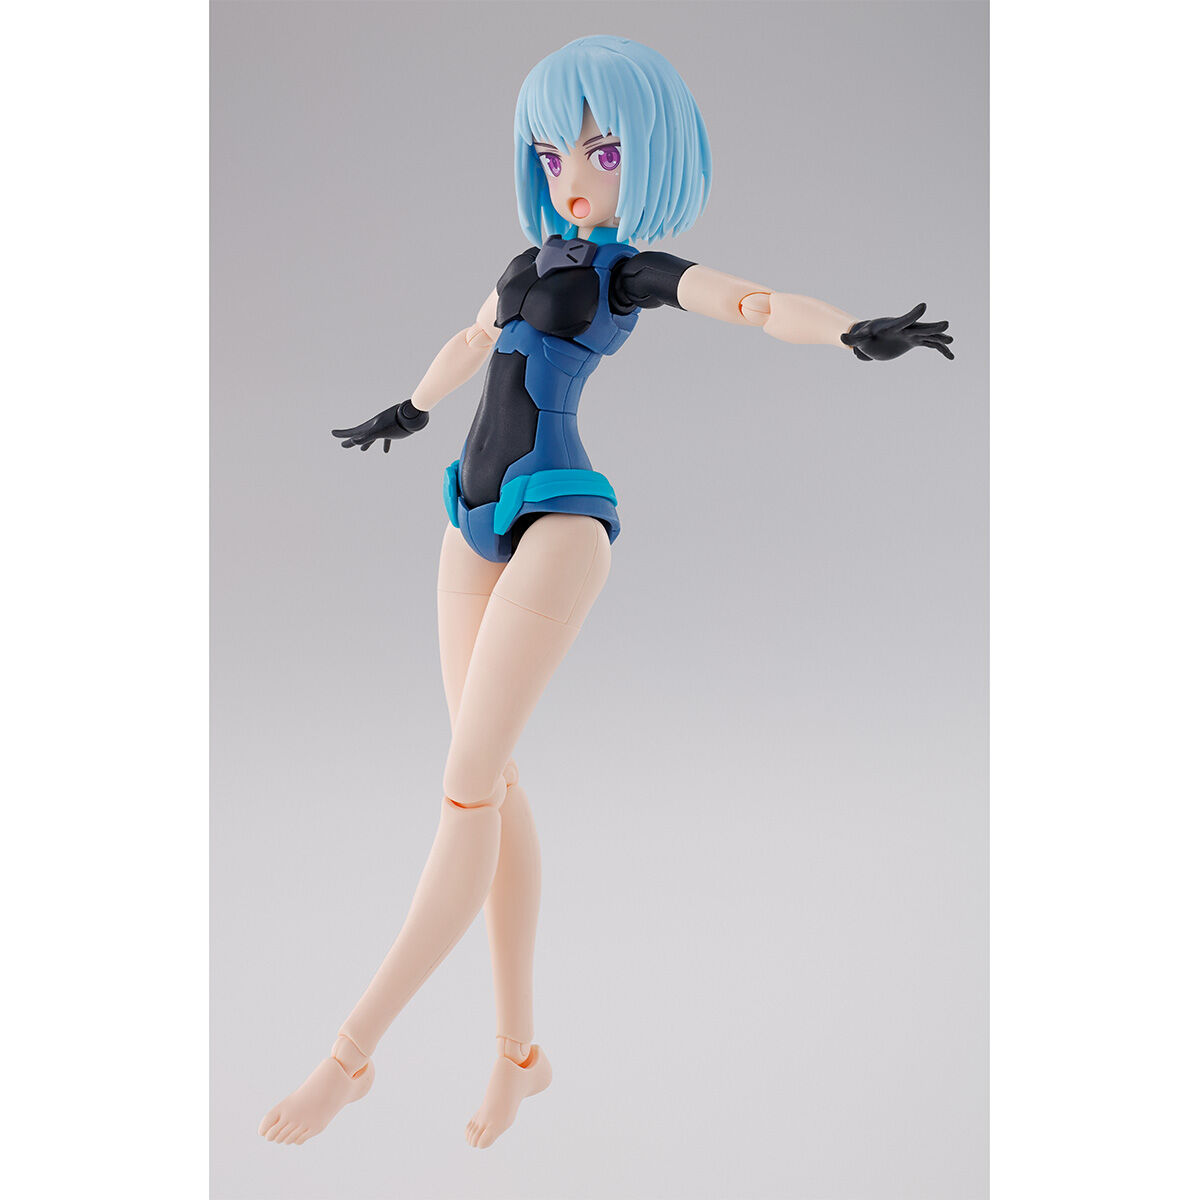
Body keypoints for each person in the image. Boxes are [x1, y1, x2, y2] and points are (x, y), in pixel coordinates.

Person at [258, 33, 952, 1152]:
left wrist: (850, 332)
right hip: (470, 516)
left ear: (652, 157)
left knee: (465, 793)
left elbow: (750, 302)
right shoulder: (522, 261)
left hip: (560, 519)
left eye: (605, 150)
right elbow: (470, 338)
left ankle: (350, 1056)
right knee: (491, 786)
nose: (573, 174)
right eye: (552, 151)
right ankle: (520, 1058)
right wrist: (412, 405)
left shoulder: (628, 273)